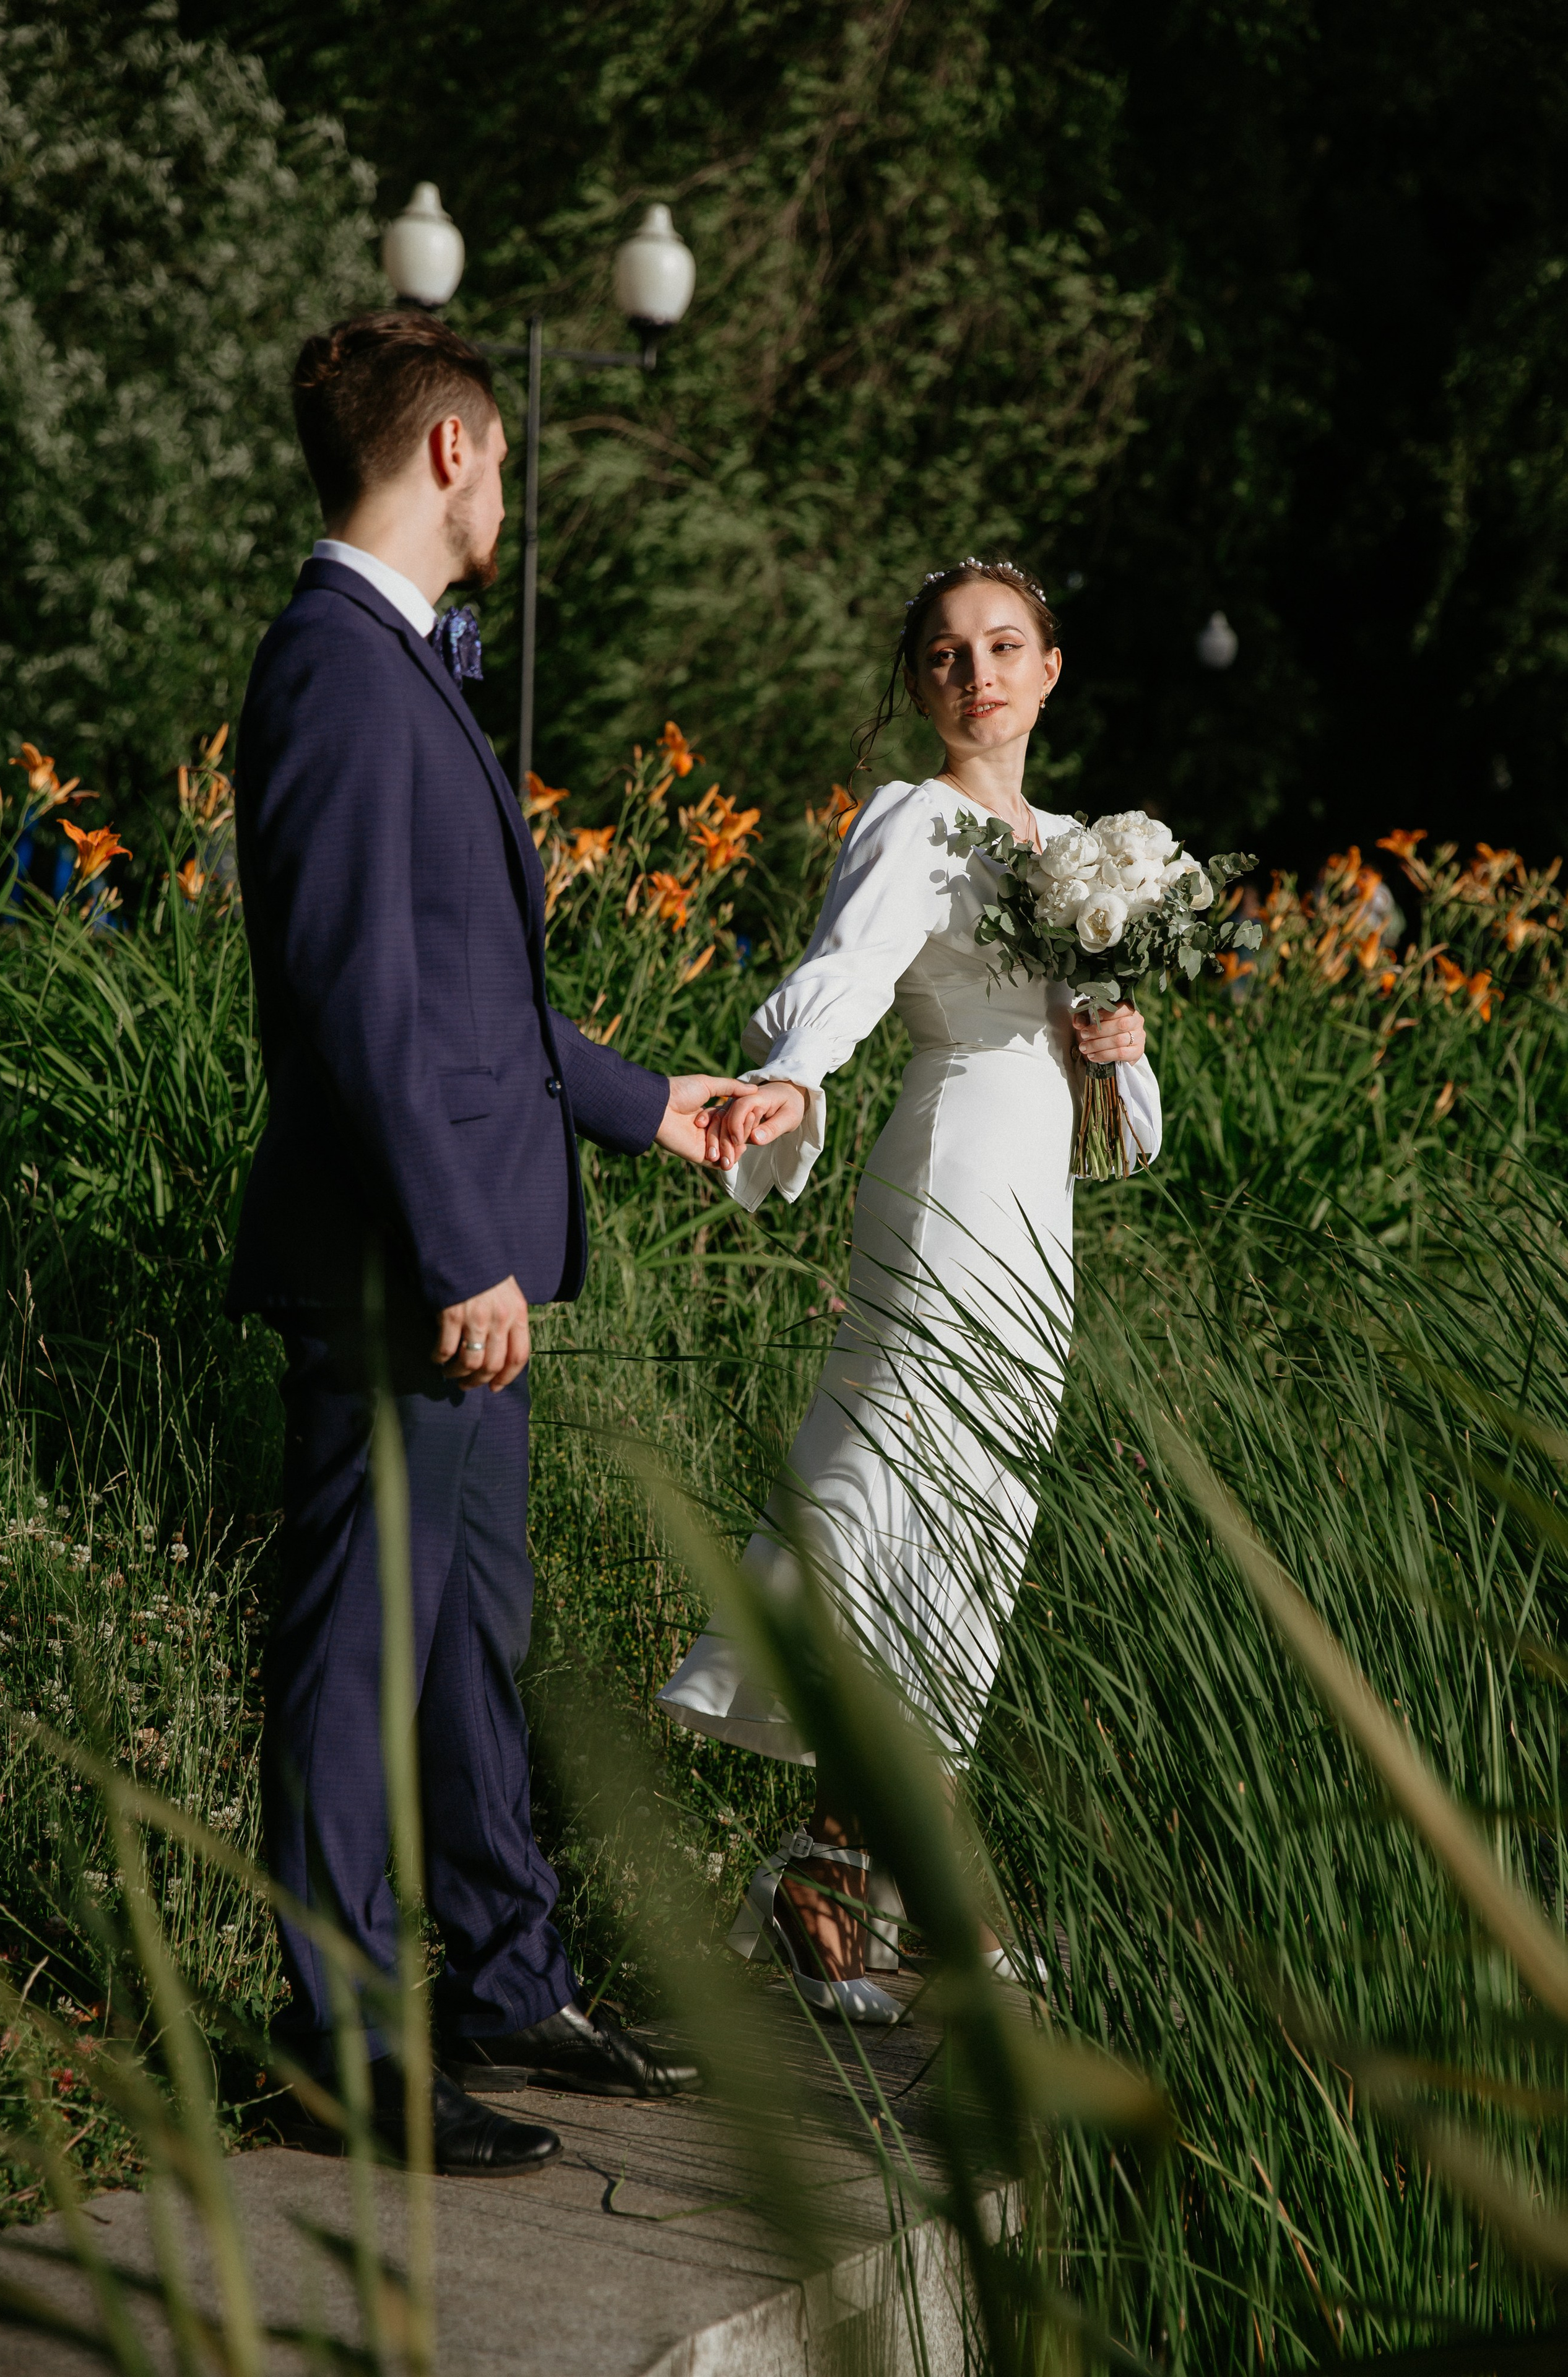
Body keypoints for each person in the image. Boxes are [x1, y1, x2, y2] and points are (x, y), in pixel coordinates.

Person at [226, 311, 737, 2173]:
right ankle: (340, 2051)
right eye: (505, 456)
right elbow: (360, 1005)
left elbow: (466, 996)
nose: (509, 487)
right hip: (406, 1276)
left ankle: (511, 1980)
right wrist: (457, 1252)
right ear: (449, 453)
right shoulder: (342, 678)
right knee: (363, 1658)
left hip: (461, 1259)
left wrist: (648, 1101)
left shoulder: (391, 668)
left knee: (468, 1640)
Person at [656, 558, 1162, 2020]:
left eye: (1003, 646)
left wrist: (1117, 1046)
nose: (975, 673)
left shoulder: (1086, 851)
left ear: (1050, 668)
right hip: (943, 1178)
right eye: (943, 655)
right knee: (895, 1491)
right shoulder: (912, 821)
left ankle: (838, 1878)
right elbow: (850, 969)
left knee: (978, 1521)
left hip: (1036, 1204)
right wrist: (786, 1077)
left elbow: (1116, 1113)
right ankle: (908, 1890)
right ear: (916, 683)